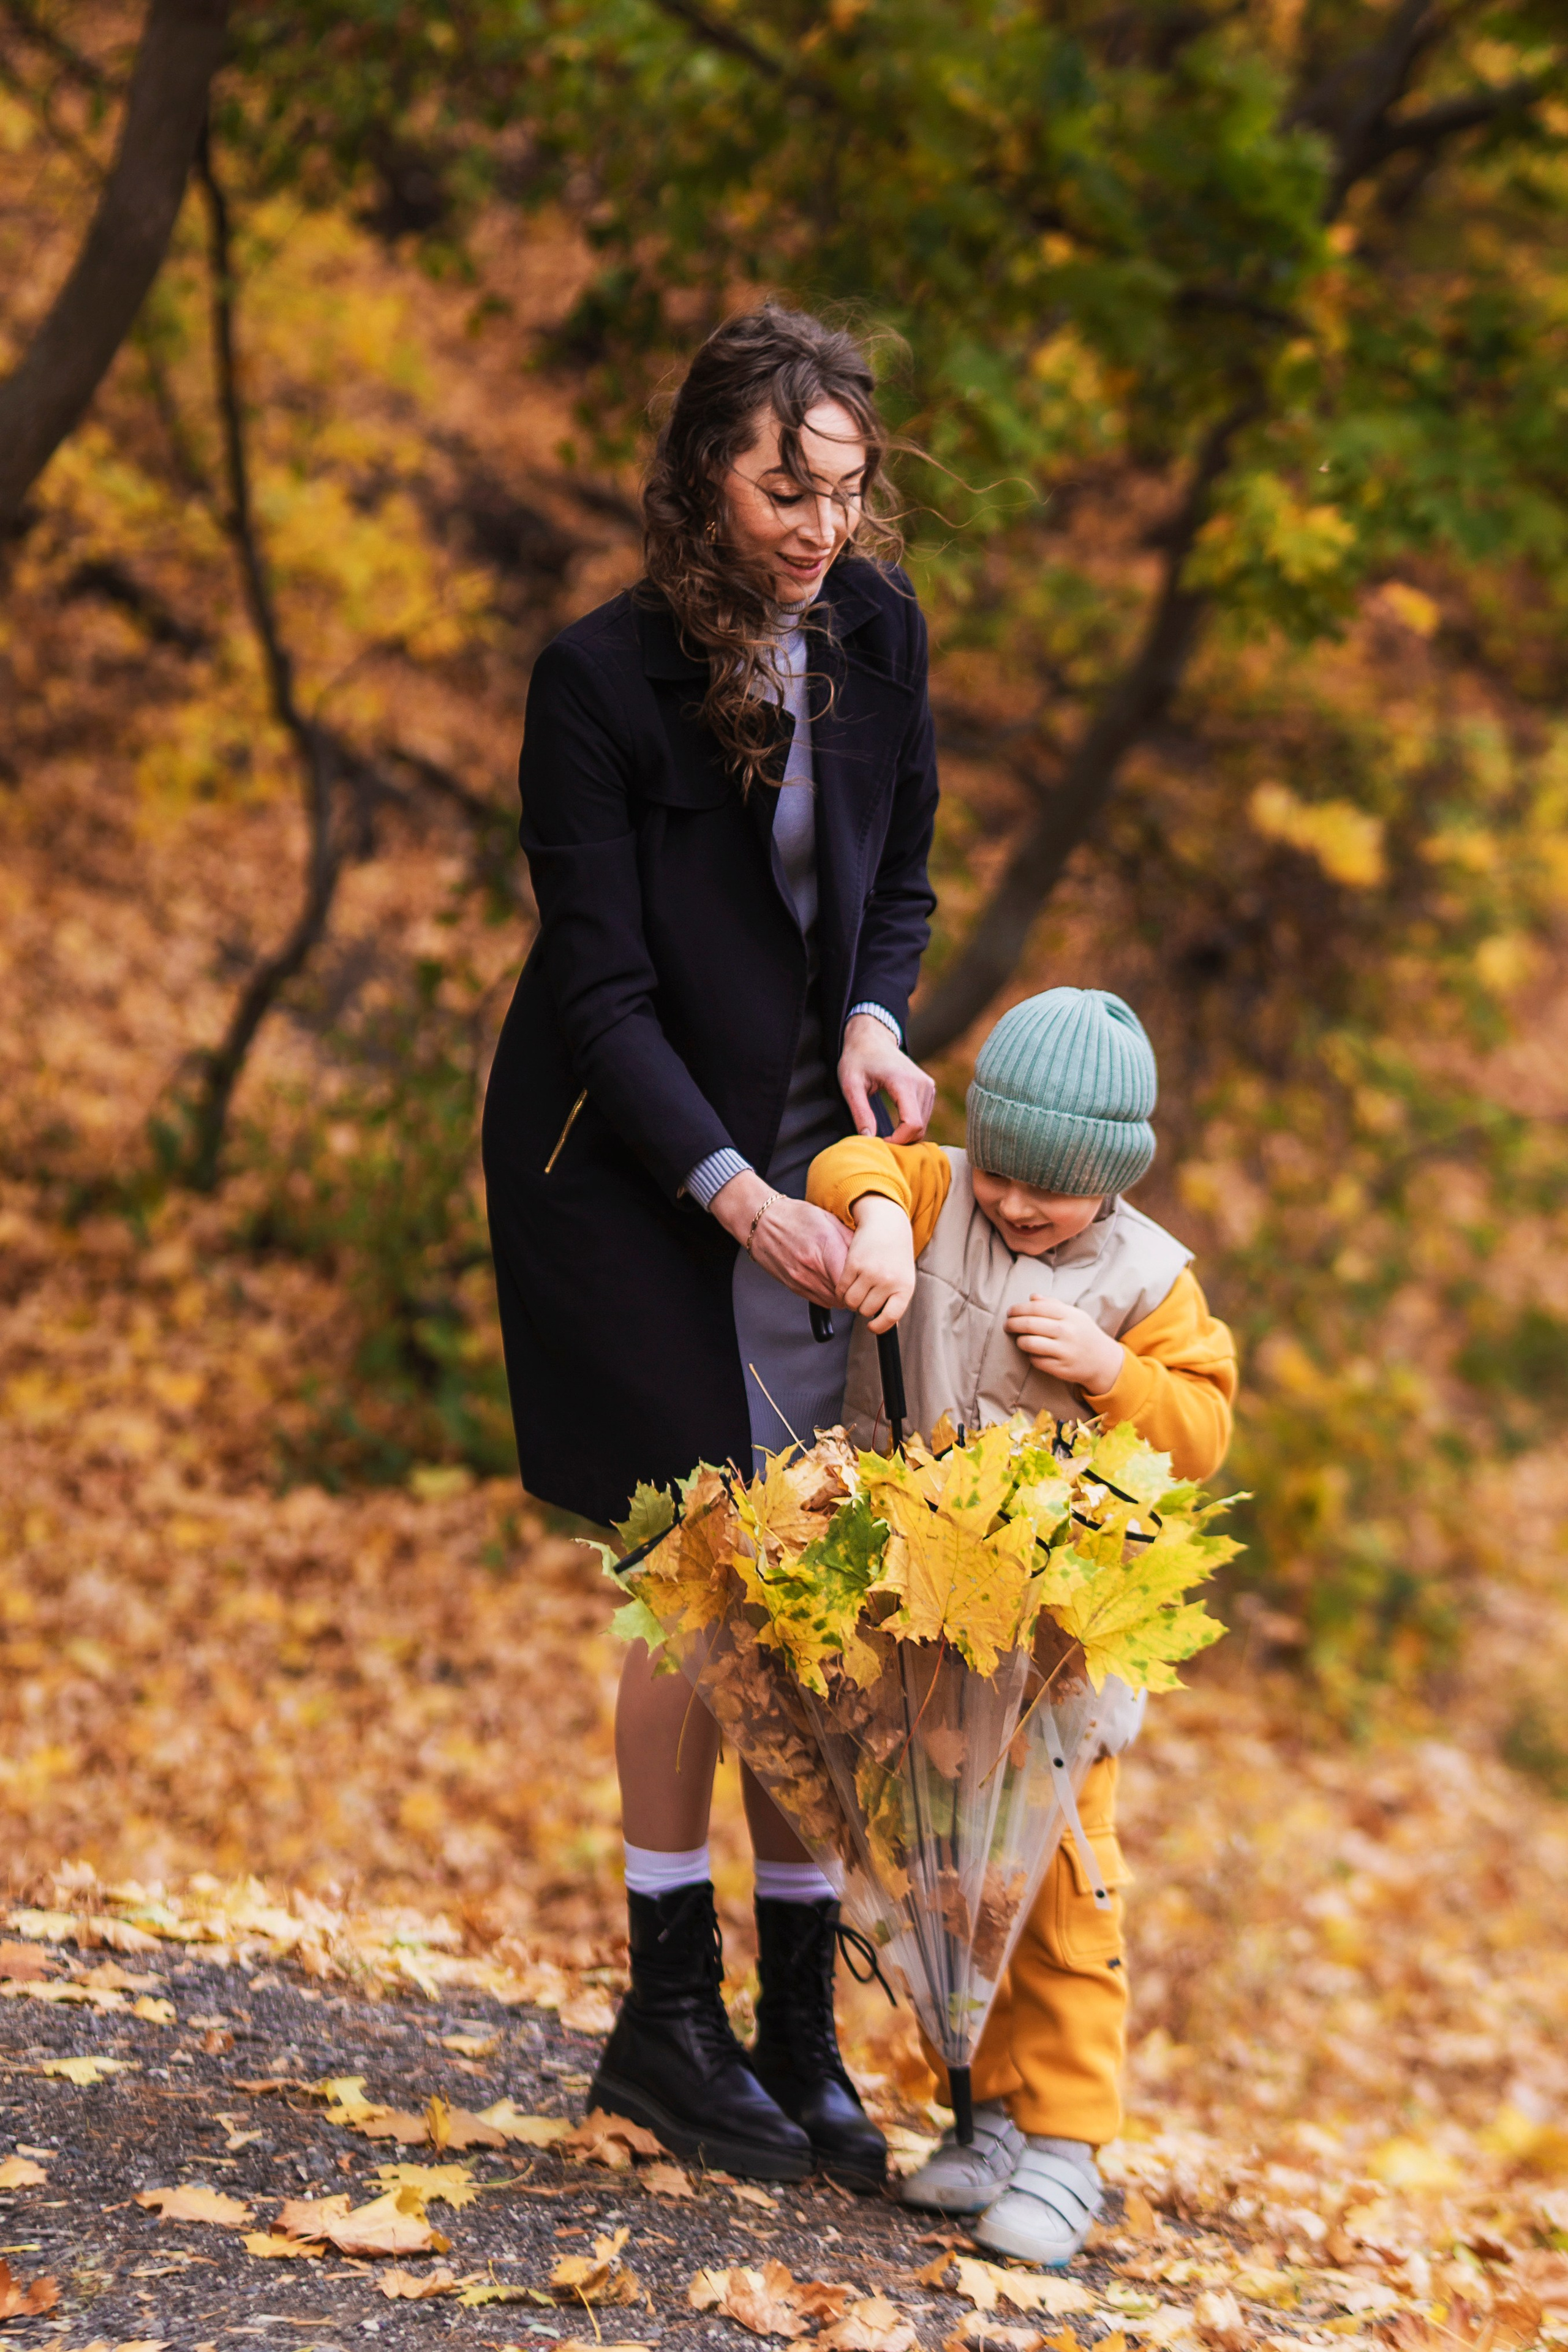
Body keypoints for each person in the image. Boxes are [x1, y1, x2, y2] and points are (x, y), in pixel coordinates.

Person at [481, 305, 941, 2188]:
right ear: (700, 478)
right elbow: (600, 995)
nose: (818, 524)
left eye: (842, 488)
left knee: (819, 1581)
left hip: (806, 1151)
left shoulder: (882, 635)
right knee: (703, 1560)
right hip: (623, 1164)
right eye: (781, 488)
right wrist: (734, 1196)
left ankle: (797, 2034)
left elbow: (895, 878)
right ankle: (667, 2020)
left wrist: (877, 1026)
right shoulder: (594, 683)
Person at [806, 986, 1238, 2261]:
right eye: (995, 1173)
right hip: (925, 1634)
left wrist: (1112, 1377)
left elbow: (1203, 1431)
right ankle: (982, 2117)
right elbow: (846, 1162)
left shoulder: (1148, 1281)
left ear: (1106, 1185)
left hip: (1054, 1650)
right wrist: (879, 1219)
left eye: (1039, 1194)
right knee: (957, 1883)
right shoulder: (938, 1194)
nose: (1005, 1203)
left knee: (1056, 1884)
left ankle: (1064, 2144)